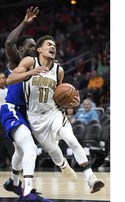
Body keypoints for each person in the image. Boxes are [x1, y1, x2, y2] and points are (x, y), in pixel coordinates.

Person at [7, 35, 105, 193]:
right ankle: (63, 165)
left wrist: (70, 101)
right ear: (39, 49)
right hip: (35, 117)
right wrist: (31, 72)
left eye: (55, 45)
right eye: (49, 45)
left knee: (71, 139)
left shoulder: (58, 70)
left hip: (53, 113)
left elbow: (59, 94)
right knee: (54, 150)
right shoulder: (30, 62)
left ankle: (91, 178)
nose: (53, 47)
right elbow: (10, 79)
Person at [0, 7, 52, 202]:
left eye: (34, 46)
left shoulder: (41, 67)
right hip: (12, 109)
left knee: (21, 152)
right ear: (21, 50)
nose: (33, 48)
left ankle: (13, 182)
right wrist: (25, 23)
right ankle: (27, 191)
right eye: (29, 46)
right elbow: (8, 42)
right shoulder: (17, 61)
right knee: (30, 148)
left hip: (26, 113)